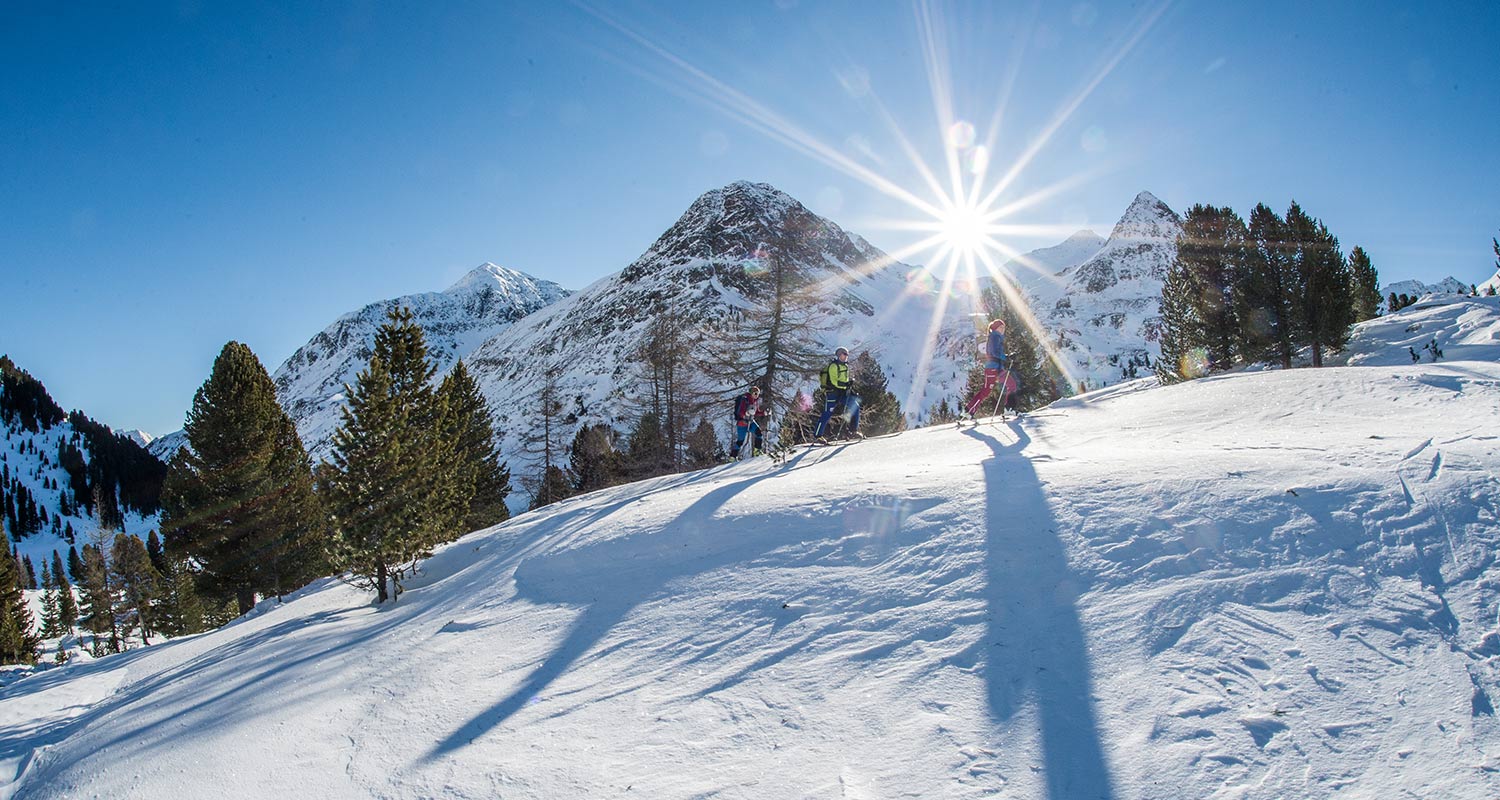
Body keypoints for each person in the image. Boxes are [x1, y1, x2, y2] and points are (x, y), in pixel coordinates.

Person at [963, 319, 1012, 419]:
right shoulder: (995, 336)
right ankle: (1009, 409)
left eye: (1004, 327)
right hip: (994, 368)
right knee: (1011, 384)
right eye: (1001, 327)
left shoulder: (995, 336)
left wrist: (1006, 356)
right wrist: (1006, 357)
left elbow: (995, 352)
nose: (1003, 329)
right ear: (996, 328)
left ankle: (968, 410)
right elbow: (993, 352)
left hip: (994, 368)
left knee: (987, 390)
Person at [813, 346, 862, 441]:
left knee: (855, 407)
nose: (846, 356)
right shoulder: (833, 366)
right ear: (839, 355)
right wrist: (846, 384)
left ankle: (853, 431)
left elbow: (844, 381)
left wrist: (849, 386)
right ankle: (817, 436)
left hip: (842, 393)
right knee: (827, 414)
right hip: (832, 393)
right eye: (844, 354)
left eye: (847, 354)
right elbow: (834, 381)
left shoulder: (845, 366)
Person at [729, 385, 764, 458]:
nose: (757, 395)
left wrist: (764, 413)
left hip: (750, 421)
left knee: (759, 433)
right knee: (740, 441)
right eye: (755, 393)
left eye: (757, 394)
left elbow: (756, 412)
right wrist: (746, 413)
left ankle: (757, 451)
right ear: (751, 393)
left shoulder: (755, 402)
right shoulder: (744, 400)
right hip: (742, 423)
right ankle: (732, 457)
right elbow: (740, 412)